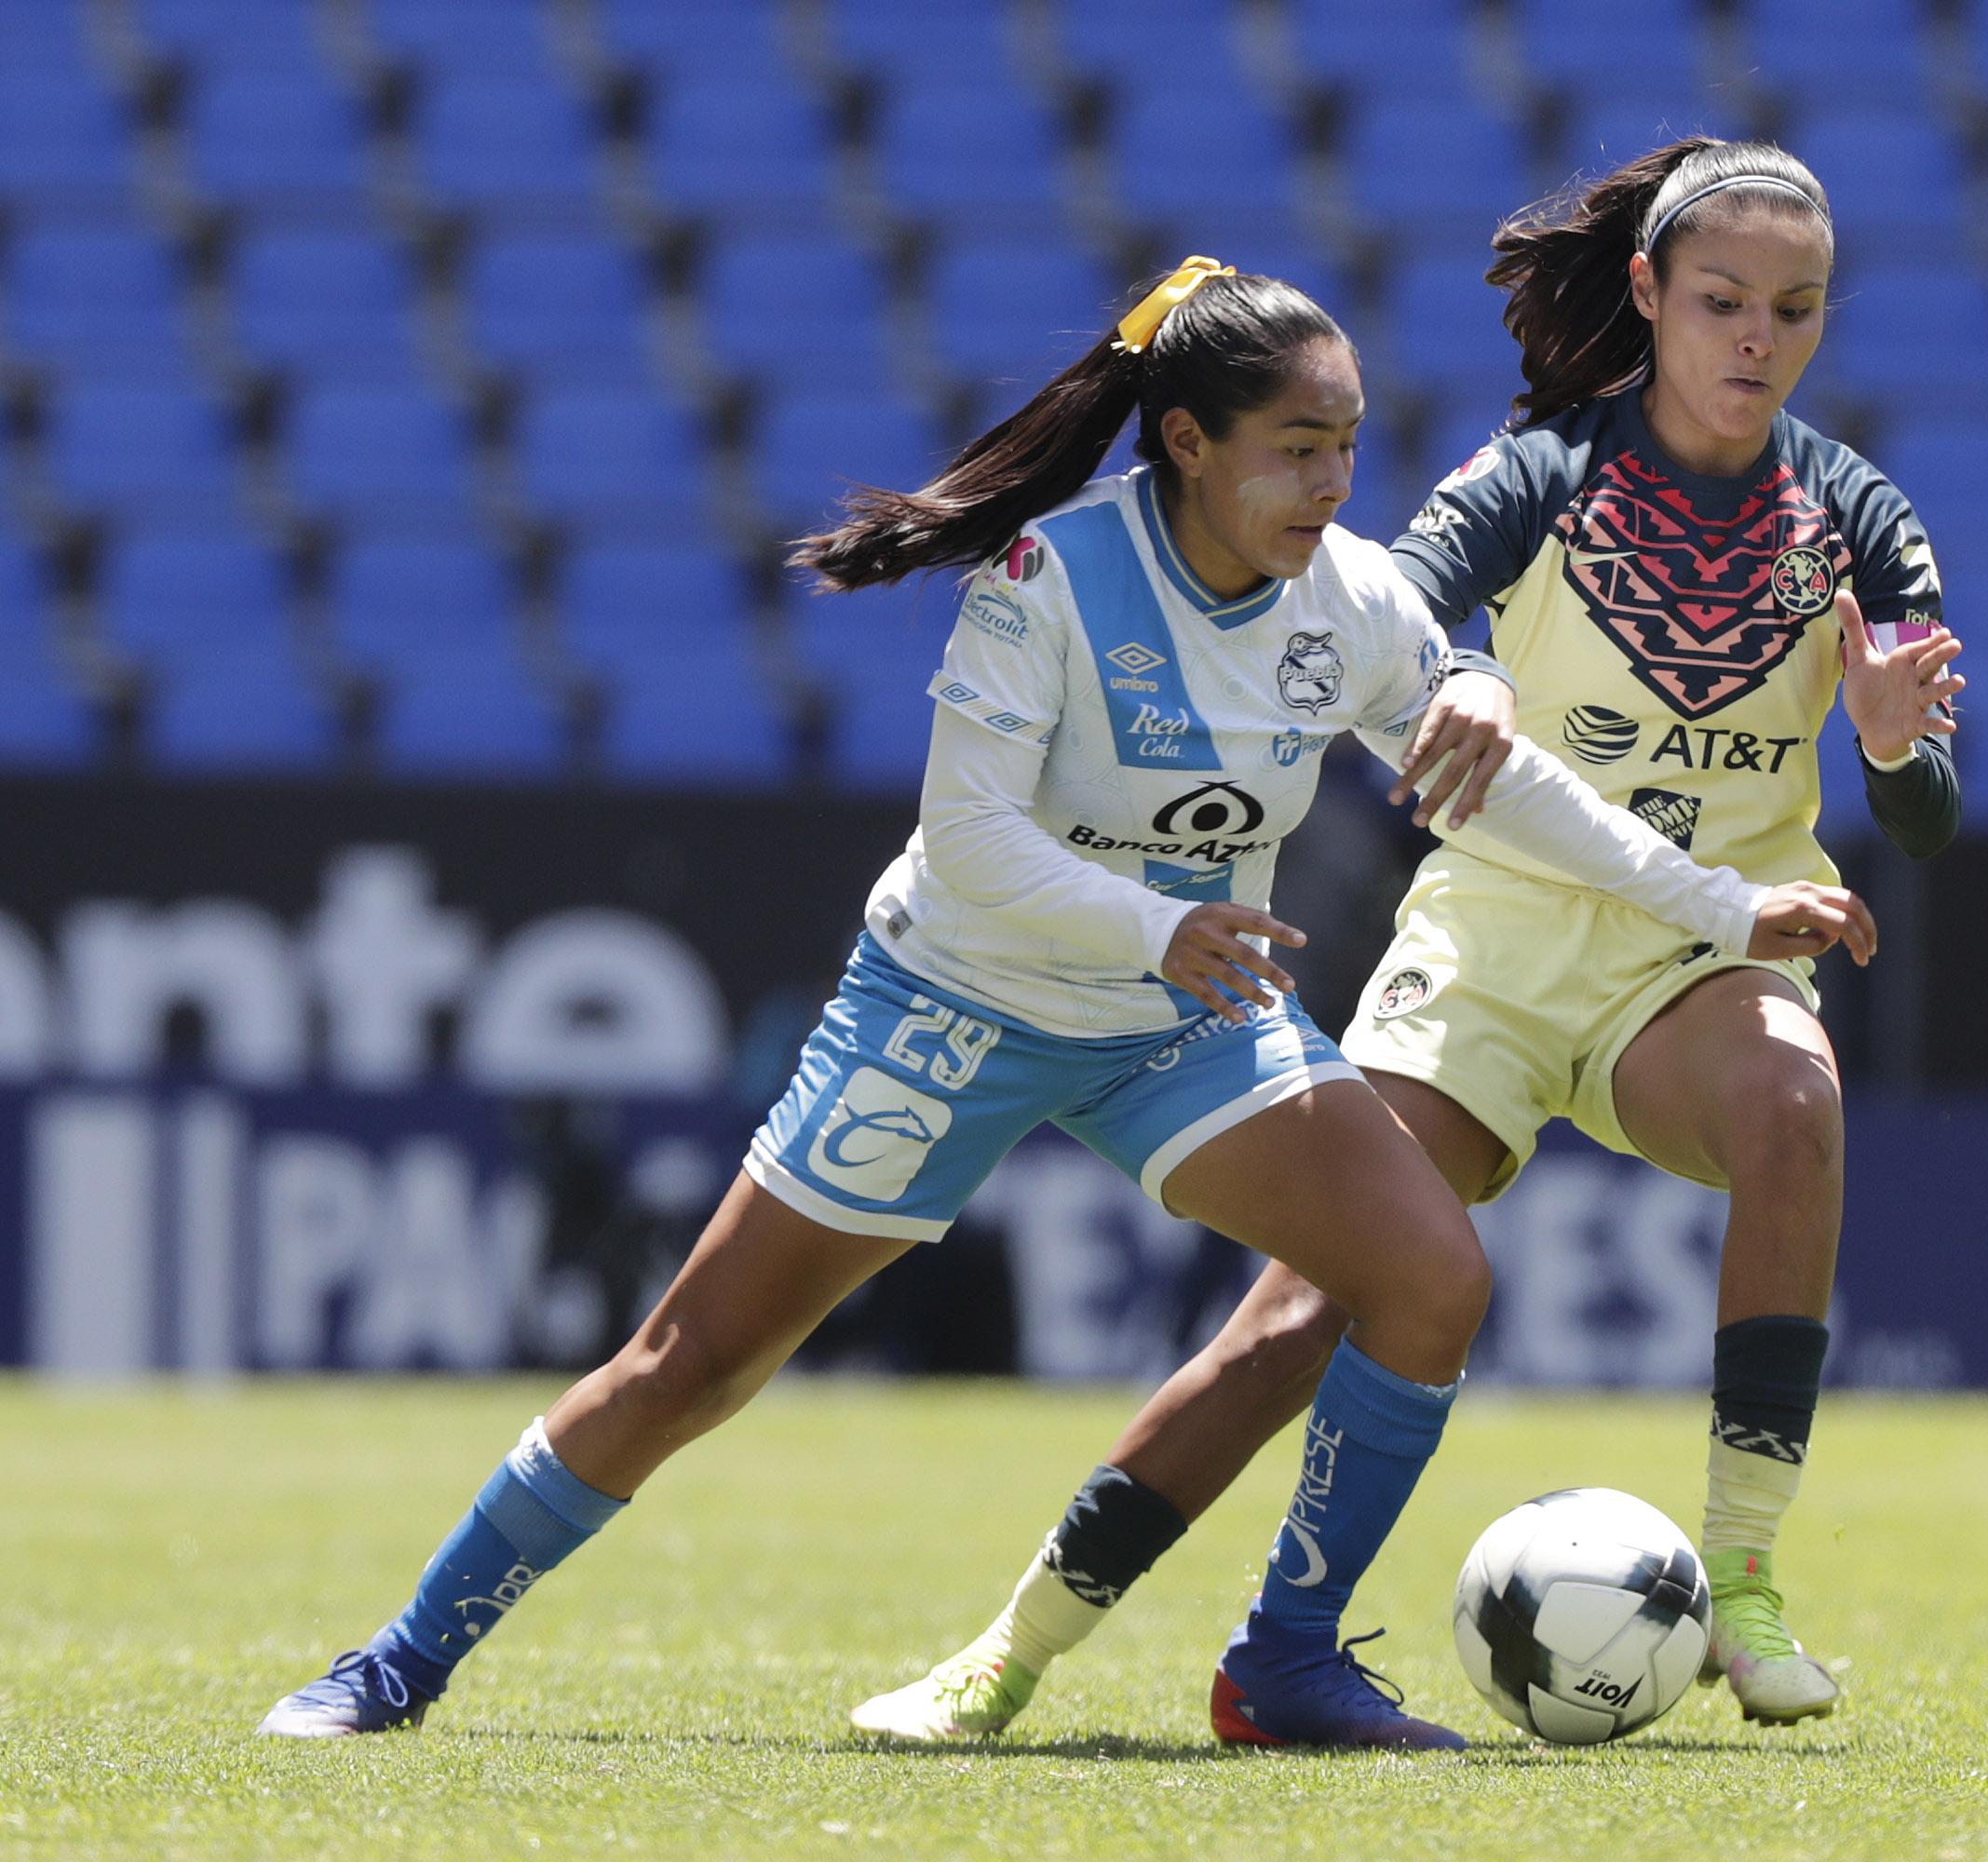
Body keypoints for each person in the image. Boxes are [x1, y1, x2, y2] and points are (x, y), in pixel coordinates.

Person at [254, 260, 1873, 1751]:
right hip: (959, 1004)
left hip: (1180, 1021)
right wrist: (1162, 925)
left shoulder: (1352, 599)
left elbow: (1504, 787)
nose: (1332, 484)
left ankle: (1284, 1662)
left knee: (1430, 1276)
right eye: (1297, 449)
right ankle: (398, 1661)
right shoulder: (1050, 577)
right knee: (696, 1363)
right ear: (1186, 441)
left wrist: (1722, 905)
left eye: (1347, 447)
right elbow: (968, 841)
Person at [857, 140, 1965, 1747]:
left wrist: (1888, 745)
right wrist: (1471, 675)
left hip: (1702, 955)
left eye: (1794, 311)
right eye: (1723, 300)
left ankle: (1743, 1581)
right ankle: (1011, 1651)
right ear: (1648, 292)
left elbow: (1926, 818)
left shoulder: (1857, 516)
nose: (1757, 339)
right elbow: (1395, 598)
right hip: (1497, 942)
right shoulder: (1540, 472)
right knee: (1305, 1312)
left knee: (1798, 1106)